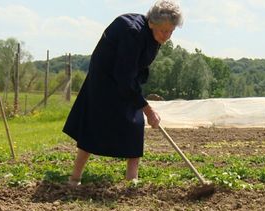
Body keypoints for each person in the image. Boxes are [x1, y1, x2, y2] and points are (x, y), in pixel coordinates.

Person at [63, 0, 183, 186]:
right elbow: (123, 75)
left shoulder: (154, 35)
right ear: (151, 22)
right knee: (94, 125)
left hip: (126, 77)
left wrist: (141, 102)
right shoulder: (132, 32)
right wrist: (148, 109)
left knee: (135, 123)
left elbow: (135, 69)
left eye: (171, 31)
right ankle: (75, 177)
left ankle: (131, 178)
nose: (167, 36)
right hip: (104, 80)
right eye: (163, 31)